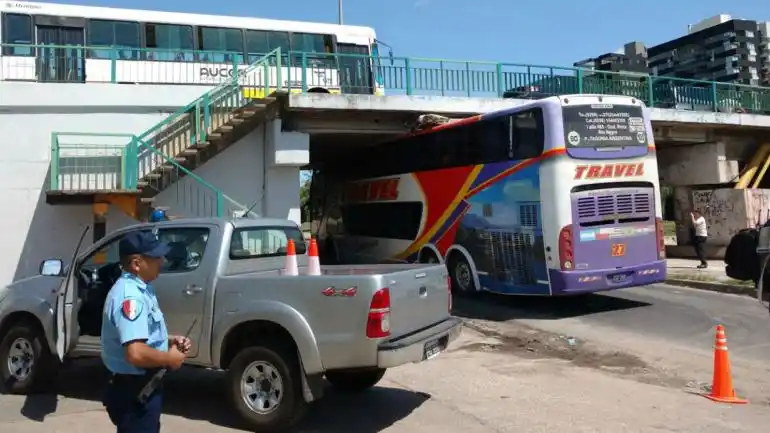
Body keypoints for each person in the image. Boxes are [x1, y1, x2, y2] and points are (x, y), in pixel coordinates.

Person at [101, 231, 191, 433]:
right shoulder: (130, 296)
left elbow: (139, 335)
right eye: (156, 257)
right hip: (134, 389)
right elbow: (136, 353)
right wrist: (170, 359)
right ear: (136, 263)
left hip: (141, 386)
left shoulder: (142, 288)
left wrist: (168, 340)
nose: (162, 260)